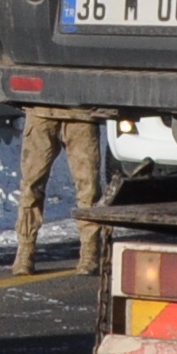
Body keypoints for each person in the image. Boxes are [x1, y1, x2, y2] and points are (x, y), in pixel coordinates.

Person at [15, 106, 109, 278]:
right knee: (31, 185)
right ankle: (24, 252)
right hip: (42, 111)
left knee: (88, 187)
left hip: (81, 113)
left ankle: (90, 252)